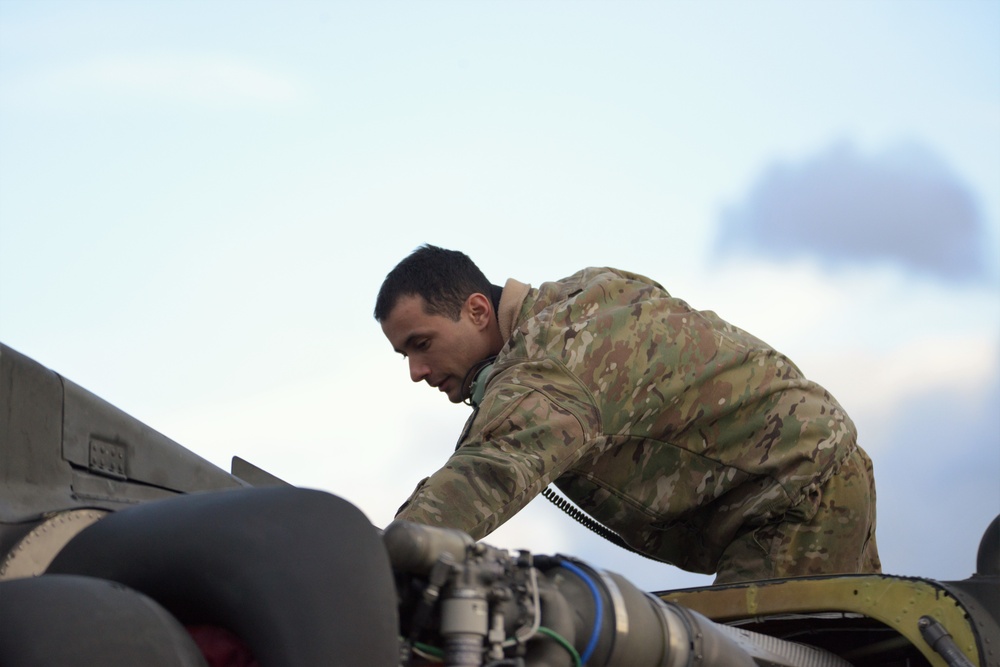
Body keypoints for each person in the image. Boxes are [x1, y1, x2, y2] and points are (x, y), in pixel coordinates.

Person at [374, 244, 880, 583]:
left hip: (794, 495)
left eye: (422, 344)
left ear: (479, 311)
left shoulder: (557, 352)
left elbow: (488, 471)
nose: (417, 371)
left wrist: (375, 562)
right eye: (405, 356)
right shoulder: (572, 308)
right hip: (816, 476)